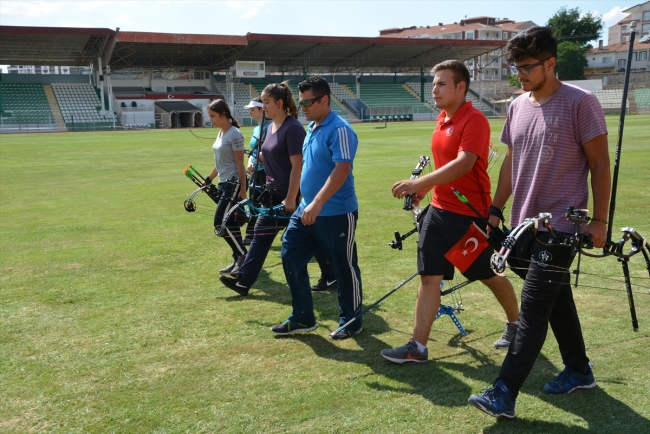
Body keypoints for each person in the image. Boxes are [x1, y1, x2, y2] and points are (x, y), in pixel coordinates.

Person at [468, 26, 610, 419]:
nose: (521, 74)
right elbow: (512, 164)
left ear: (551, 62)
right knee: (555, 299)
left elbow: (600, 163)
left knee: (532, 311)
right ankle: (580, 370)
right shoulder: (517, 106)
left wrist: (599, 220)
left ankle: (503, 392)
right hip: (521, 226)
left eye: (528, 66)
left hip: (561, 227)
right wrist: (495, 209)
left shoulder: (581, 102)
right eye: (516, 67)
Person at [380, 60, 520, 364]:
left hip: (468, 217)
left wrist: (418, 181)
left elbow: (463, 163)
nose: (434, 89)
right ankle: (417, 346)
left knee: (488, 275)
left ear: (461, 86)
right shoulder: (442, 119)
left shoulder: (475, 120)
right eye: (433, 84)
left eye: (441, 84)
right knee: (429, 276)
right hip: (439, 212)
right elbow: (444, 168)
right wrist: (424, 191)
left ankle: (516, 324)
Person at [270, 76, 362, 340]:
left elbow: (341, 169)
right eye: (301, 102)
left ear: (325, 99)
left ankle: (351, 321)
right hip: (305, 210)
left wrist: (317, 203)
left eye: (308, 102)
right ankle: (302, 316)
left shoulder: (340, 129)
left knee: (344, 267)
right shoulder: (311, 127)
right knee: (291, 256)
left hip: (335, 213)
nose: (304, 107)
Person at [220, 82, 304, 295]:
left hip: (287, 196)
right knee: (261, 234)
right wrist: (254, 158)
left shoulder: (293, 128)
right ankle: (244, 282)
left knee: (311, 237)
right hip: (271, 193)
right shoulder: (271, 127)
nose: (263, 106)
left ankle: (332, 274)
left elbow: (297, 165)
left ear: (280, 103)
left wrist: (292, 198)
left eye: (266, 102)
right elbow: (271, 155)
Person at [204, 99, 248, 275]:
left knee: (219, 223)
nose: (211, 120)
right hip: (223, 183)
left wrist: (243, 190)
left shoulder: (234, 134)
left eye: (213, 116)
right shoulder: (221, 133)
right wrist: (209, 178)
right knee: (230, 223)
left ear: (223, 114)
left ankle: (243, 255)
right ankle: (237, 257)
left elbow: (240, 164)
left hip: (233, 184)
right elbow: (220, 162)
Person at [243, 98, 269, 246]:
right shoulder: (255, 129)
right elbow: (252, 152)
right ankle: (251, 233)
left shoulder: (270, 127)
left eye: (253, 109)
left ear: (261, 110)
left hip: (266, 171)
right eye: (250, 110)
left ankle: (257, 233)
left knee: (266, 203)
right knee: (252, 202)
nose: (250, 112)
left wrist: (262, 160)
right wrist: (249, 163)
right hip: (255, 171)